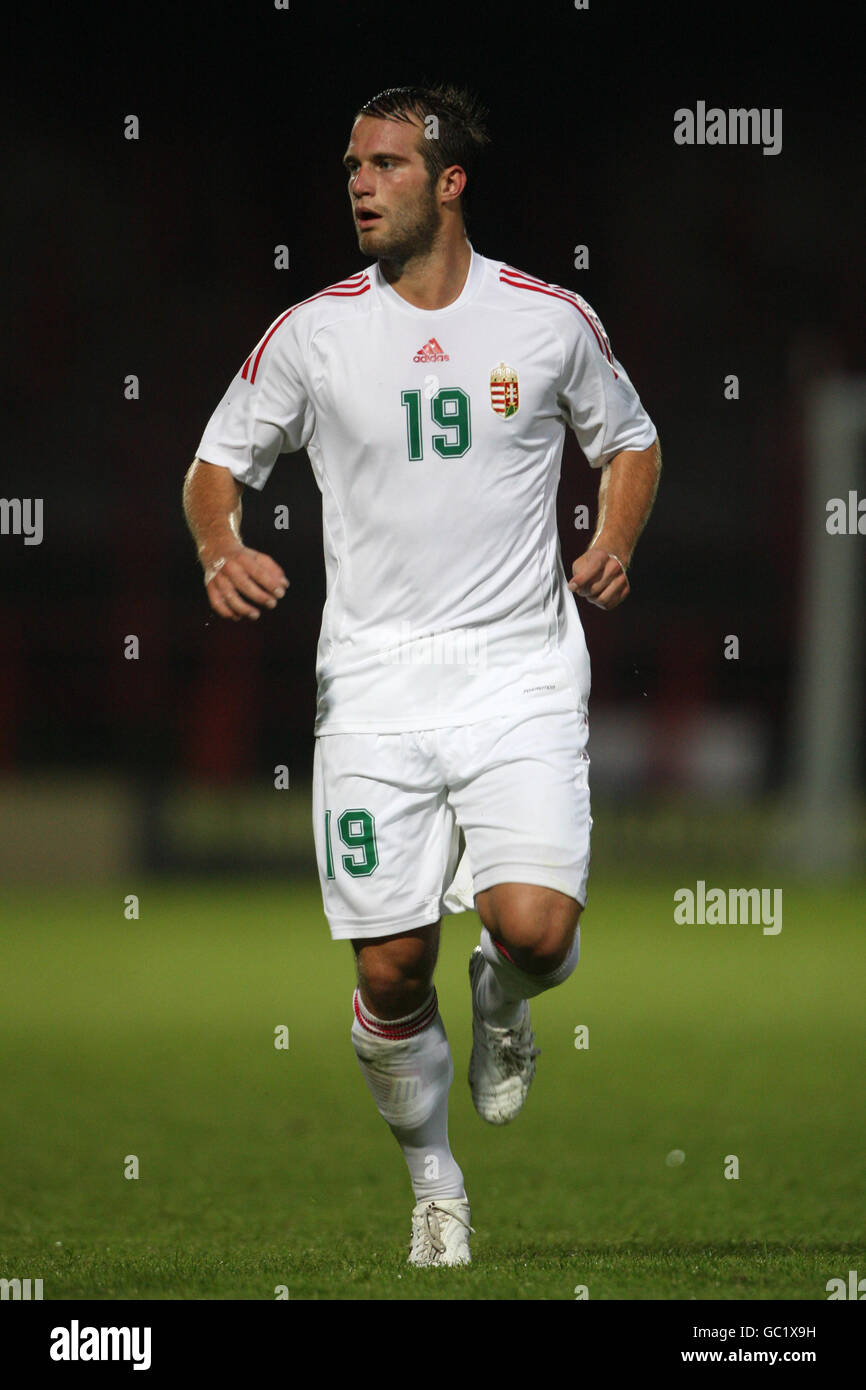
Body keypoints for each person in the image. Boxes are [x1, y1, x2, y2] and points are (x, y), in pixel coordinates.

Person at [183, 83, 661, 1267]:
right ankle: (434, 1181)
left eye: (386, 163)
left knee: (538, 932)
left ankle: (504, 996)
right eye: (352, 163)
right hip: (374, 688)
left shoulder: (546, 318)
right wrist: (219, 542)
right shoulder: (313, 332)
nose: (358, 181)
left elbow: (631, 438)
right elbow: (214, 462)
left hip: (517, 672)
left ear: (448, 182)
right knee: (392, 968)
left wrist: (611, 540)